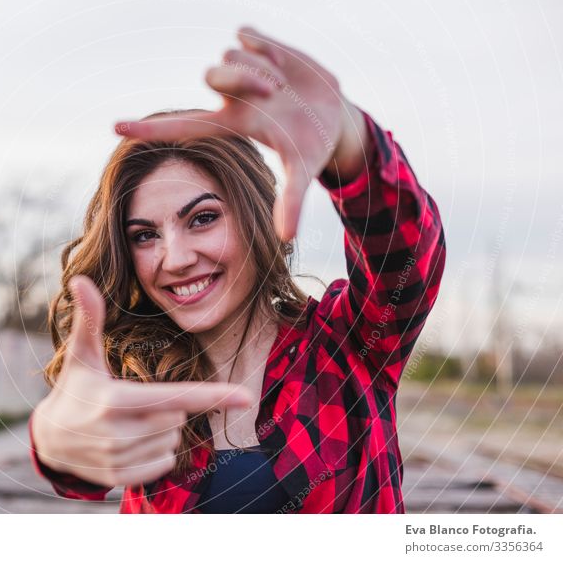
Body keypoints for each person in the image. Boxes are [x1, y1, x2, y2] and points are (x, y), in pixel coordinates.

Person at [27, 26, 446, 513]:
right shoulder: (139, 382)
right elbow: (79, 471)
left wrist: (351, 146)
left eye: (202, 219)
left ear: (256, 217)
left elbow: (406, 251)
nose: (176, 258)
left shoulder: (350, 342)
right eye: (145, 235)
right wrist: (55, 440)